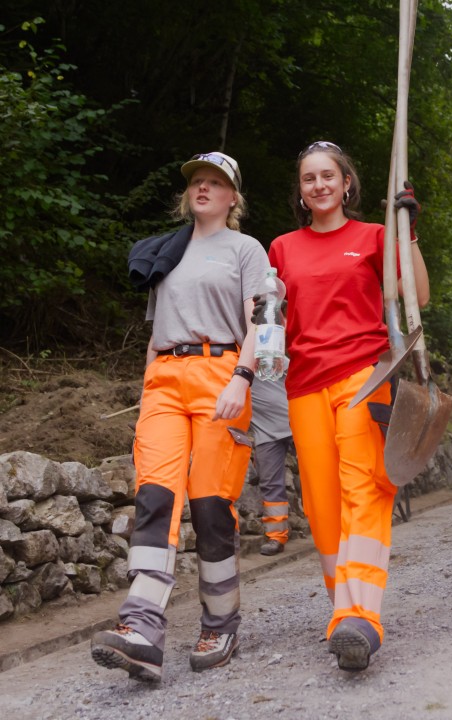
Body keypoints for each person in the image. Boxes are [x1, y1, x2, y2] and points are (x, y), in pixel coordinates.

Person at [91, 151, 269, 681]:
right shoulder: (167, 250)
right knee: (155, 495)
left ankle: (220, 621)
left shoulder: (246, 249)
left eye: (217, 183)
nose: (204, 189)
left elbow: (260, 323)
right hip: (165, 378)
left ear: (233, 198)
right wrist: (148, 389)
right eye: (197, 182)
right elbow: (157, 328)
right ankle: (141, 627)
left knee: (212, 504)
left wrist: (244, 376)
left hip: (222, 375)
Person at [260, 140, 430, 672]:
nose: (319, 185)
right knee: (322, 504)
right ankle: (343, 612)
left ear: (347, 183)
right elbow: (269, 318)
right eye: (309, 178)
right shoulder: (282, 248)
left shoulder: (374, 237)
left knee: (364, 489)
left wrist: (408, 233)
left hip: (363, 375)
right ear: (301, 192)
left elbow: (417, 296)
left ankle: (363, 616)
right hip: (304, 385)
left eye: (328, 175)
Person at [249, 358, 294, 557]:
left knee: (319, 474)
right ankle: (276, 536)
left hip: (297, 420)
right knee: (270, 483)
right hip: (264, 432)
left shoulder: (267, 352)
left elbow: (298, 373)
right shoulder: (222, 358)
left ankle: (336, 525)